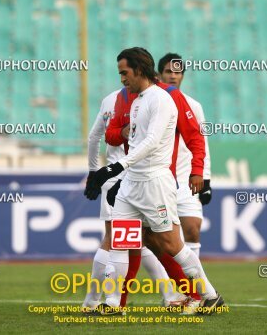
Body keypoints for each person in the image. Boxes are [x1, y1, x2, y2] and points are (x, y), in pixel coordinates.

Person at [88, 47, 223, 314]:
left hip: (154, 182)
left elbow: (151, 143)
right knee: (120, 239)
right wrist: (118, 176)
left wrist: (114, 167)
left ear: (139, 69)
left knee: (171, 244)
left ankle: (208, 293)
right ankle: (113, 303)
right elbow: (126, 138)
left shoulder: (162, 100)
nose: (122, 79)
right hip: (132, 182)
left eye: (124, 73)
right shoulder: (136, 100)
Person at [157, 53, 213, 257]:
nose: (173, 76)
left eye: (178, 72)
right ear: (159, 74)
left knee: (192, 229)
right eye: (168, 71)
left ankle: (191, 287)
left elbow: (202, 142)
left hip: (185, 177)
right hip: (159, 178)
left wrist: (205, 179)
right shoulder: (153, 102)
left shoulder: (194, 106)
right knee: (160, 238)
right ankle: (173, 285)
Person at [81, 89, 128, 312]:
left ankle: (92, 301)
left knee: (116, 238)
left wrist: (93, 171)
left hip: (111, 175)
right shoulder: (150, 99)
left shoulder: (109, 99)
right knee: (121, 239)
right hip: (137, 177)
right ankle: (110, 301)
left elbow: (93, 137)